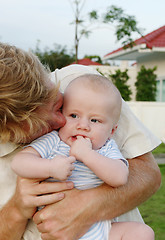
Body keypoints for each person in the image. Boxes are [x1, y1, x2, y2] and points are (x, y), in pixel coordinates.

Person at [0, 42, 161, 240]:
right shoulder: (46, 144)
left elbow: (149, 174)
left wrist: (89, 205)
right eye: (41, 127)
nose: (62, 121)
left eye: (58, 104)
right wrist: (16, 210)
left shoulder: (83, 84)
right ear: (9, 136)